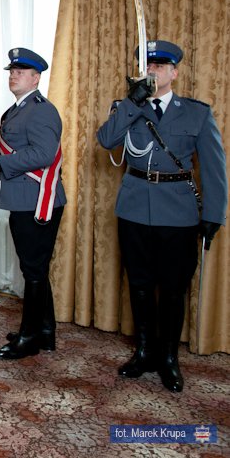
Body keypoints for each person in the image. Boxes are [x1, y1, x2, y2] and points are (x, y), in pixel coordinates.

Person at [96, 40, 227, 392]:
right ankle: (144, 351)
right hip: (134, 208)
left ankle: (169, 358)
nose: (152, 71)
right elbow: (106, 140)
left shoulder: (196, 113)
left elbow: (214, 168)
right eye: (148, 66)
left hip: (178, 213)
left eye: (159, 66)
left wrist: (213, 214)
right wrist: (132, 103)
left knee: (172, 289)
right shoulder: (127, 107)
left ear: (174, 73)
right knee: (139, 285)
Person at [0, 48, 66, 360]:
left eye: (20, 72)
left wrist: (4, 162)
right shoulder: (17, 110)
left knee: (33, 270)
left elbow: (45, 154)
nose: (13, 76)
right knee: (34, 268)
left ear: (36, 78)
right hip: (22, 199)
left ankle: (29, 337)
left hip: (37, 200)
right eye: (12, 71)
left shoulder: (41, 110)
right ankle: (45, 330)